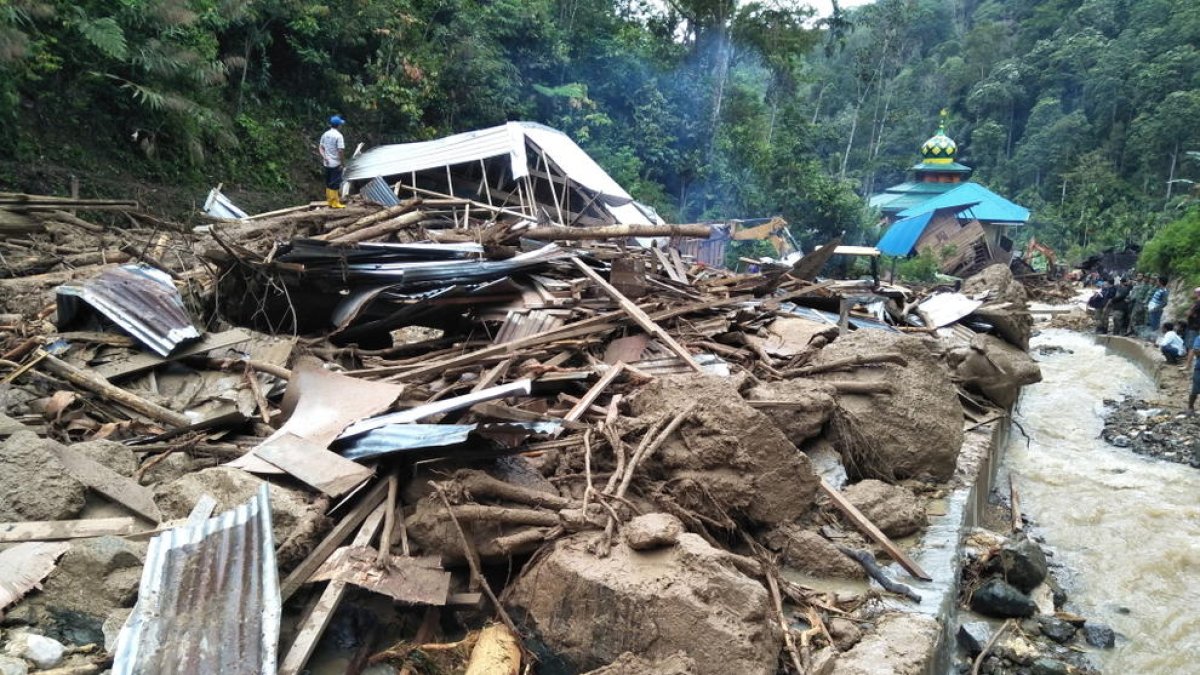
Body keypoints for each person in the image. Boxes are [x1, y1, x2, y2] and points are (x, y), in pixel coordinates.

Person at [319, 115, 347, 209]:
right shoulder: (339, 136)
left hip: (327, 163)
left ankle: (329, 202)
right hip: (335, 163)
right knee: (335, 183)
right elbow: (340, 151)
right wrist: (342, 163)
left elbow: (321, 147)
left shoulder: (325, 134)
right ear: (338, 125)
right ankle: (335, 203)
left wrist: (324, 157)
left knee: (328, 182)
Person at [1185, 287, 1200, 369]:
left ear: (1198, 293)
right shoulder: (1197, 303)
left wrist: (1188, 313)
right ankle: (1187, 364)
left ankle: (1188, 365)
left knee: (1191, 346)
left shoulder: (1198, 303)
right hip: (1194, 325)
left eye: (1194, 292)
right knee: (1190, 345)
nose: (1193, 294)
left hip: (1193, 326)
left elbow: (1189, 313)